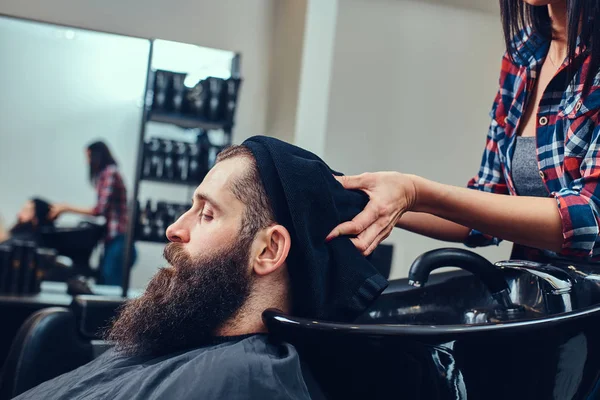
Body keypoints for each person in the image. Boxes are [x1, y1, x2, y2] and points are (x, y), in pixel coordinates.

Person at [15, 136, 387, 400]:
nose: (174, 229)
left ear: (268, 250)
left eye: (207, 213)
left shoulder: (245, 381)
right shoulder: (180, 342)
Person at [328, 0, 600, 264]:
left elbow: (588, 218)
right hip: (541, 301)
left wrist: (414, 192)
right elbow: (490, 203)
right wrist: (364, 199)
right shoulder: (524, 55)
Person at [49, 140, 134, 285]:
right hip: (113, 239)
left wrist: (66, 208)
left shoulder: (110, 173)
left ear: (97, 155)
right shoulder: (106, 174)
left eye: (88, 156)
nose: (87, 161)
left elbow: (99, 209)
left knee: (110, 286)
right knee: (105, 281)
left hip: (120, 239)